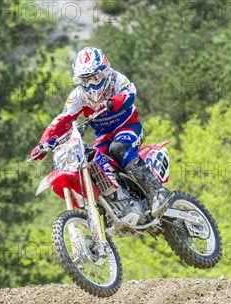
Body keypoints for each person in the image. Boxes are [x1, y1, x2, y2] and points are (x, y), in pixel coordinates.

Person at [31, 47, 173, 217]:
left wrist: (113, 102)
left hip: (128, 127)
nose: (91, 84)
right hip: (104, 136)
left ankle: (158, 191)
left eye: (95, 77)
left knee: (118, 148)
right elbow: (62, 120)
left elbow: (130, 93)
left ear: (104, 71)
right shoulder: (77, 96)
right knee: (89, 158)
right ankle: (115, 203)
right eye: (85, 80)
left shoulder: (116, 79)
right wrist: (44, 144)